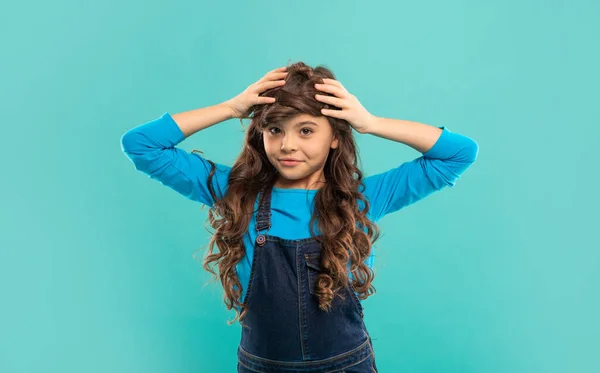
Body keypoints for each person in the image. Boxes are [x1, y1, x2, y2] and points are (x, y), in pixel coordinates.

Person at [120, 62, 479, 372]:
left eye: (306, 130)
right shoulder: (237, 194)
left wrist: (370, 123)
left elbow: (459, 153)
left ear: (335, 137)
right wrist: (231, 107)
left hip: (345, 365)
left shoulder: (361, 199)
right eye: (275, 130)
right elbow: (141, 144)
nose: (287, 145)